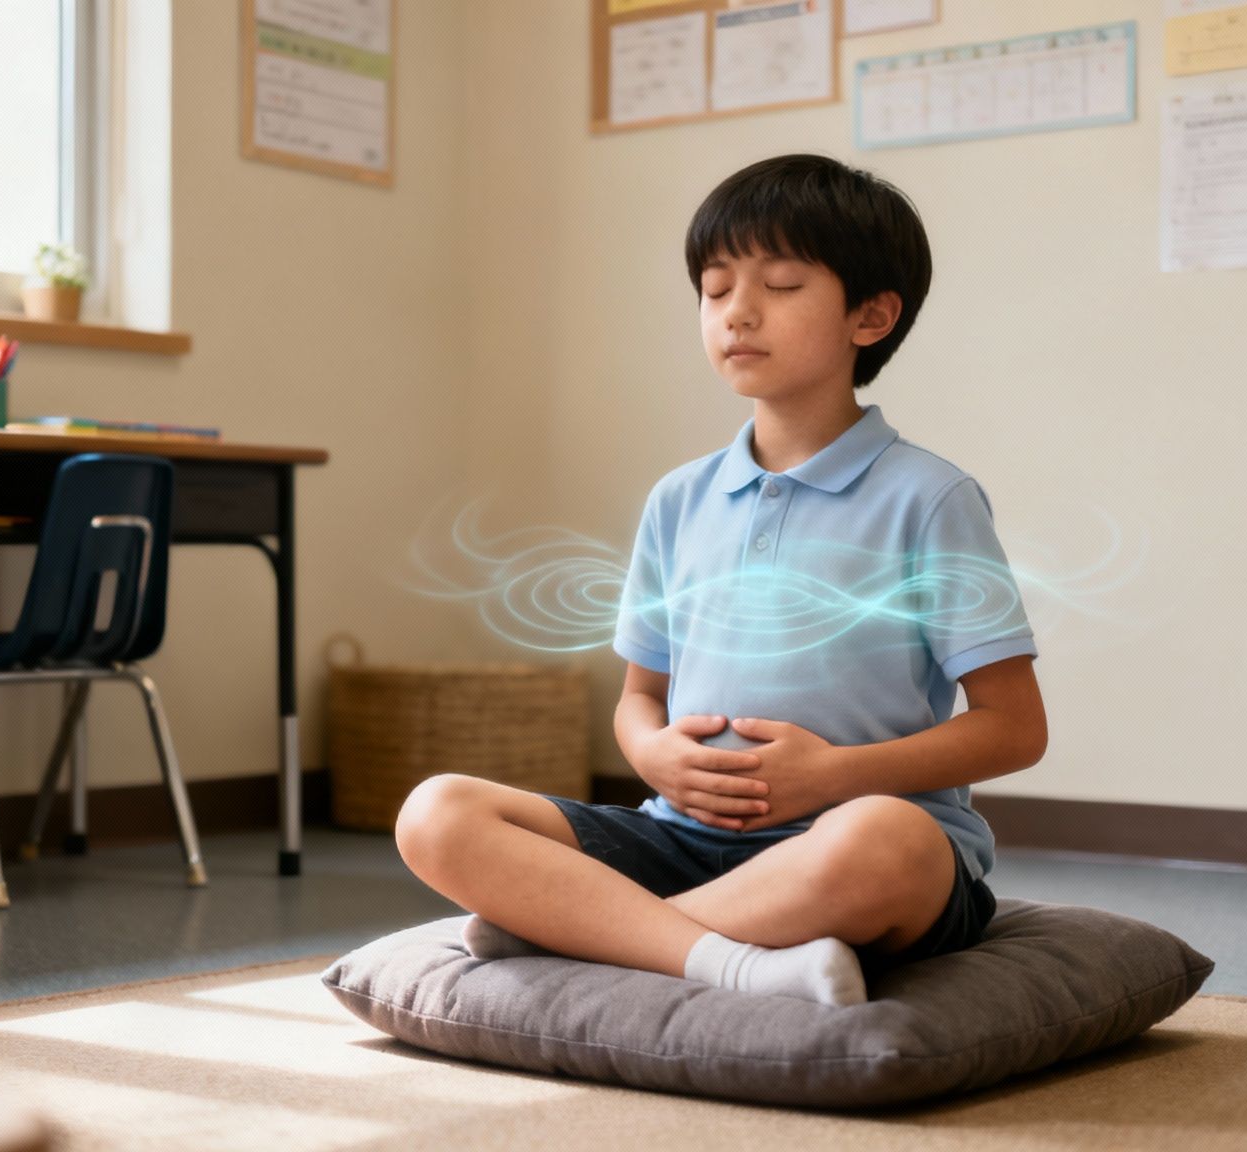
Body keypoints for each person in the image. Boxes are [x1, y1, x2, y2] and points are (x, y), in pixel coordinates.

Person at [395, 154, 1047, 1006]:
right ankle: (720, 956)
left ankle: (594, 933)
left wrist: (832, 777)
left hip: (847, 841)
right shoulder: (679, 499)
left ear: (871, 315)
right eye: (715, 288)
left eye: (779, 284)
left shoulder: (931, 498)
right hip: (680, 837)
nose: (737, 311)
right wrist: (655, 756)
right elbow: (640, 698)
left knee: (889, 841)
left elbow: (1014, 729)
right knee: (436, 812)